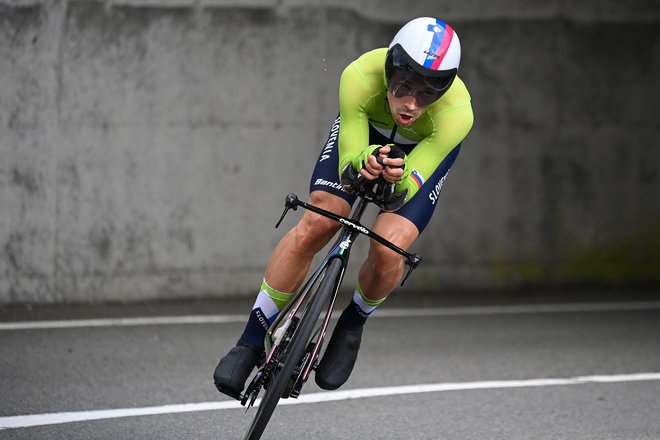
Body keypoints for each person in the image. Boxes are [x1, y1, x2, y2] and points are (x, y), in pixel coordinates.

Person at [213, 16, 474, 399]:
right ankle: (250, 340)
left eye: (429, 92)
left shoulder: (458, 113)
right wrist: (363, 160)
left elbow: (405, 186)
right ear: (389, 69)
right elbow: (351, 159)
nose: (412, 103)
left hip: (419, 154)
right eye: (403, 85)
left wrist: (396, 177)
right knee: (320, 219)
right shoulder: (359, 75)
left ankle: (353, 322)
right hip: (363, 130)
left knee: (389, 245)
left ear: (445, 90)